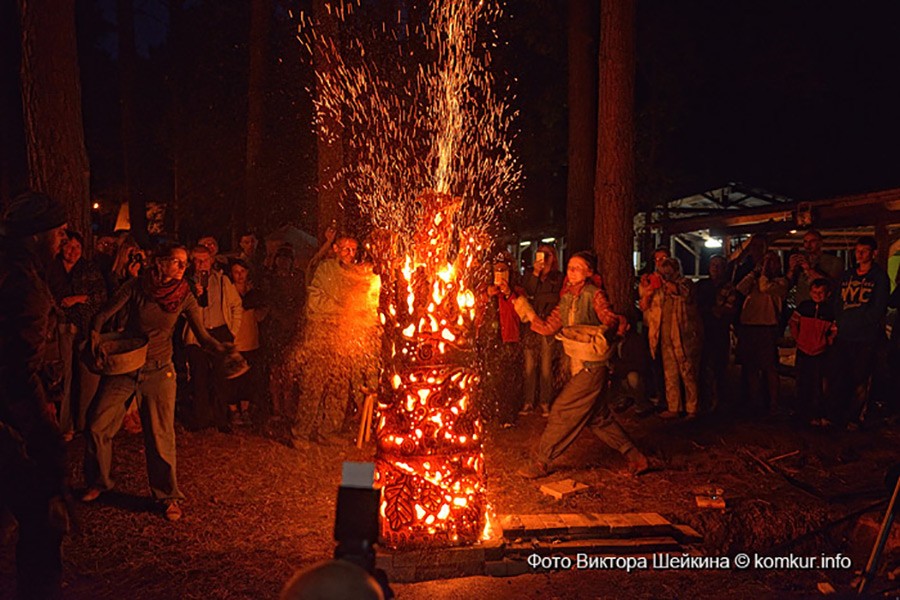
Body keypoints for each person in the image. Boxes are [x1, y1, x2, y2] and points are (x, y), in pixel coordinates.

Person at [82, 244, 233, 521]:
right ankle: (99, 481)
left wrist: (221, 349)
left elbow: (202, 335)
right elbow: (103, 313)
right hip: (126, 365)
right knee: (96, 424)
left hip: (159, 371)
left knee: (160, 435)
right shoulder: (137, 286)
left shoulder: (184, 295)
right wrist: (95, 334)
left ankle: (168, 497)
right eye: (176, 262)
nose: (181, 268)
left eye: (184, 263)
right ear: (159, 262)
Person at [513, 251, 648, 479]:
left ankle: (541, 461)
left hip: (593, 365)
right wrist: (526, 311)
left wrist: (603, 332)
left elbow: (610, 320)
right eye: (570, 267)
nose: (571, 271)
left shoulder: (594, 295)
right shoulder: (566, 298)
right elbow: (547, 327)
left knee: (562, 410)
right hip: (578, 366)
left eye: (577, 267)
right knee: (598, 419)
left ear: (588, 273)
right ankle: (637, 458)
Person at [0, 191, 70, 599]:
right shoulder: (25, 287)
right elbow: (16, 374)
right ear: (38, 236)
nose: (63, 240)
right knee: (43, 521)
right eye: (59, 233)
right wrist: (44, 436)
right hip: (8, 423)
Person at [291, 233, 381, 446]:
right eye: (345, 249)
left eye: (353, 249)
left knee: (338, 386)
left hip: (343, 337)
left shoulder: (357, 275)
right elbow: (315, 301)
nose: (350, 254)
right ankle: (300, 433)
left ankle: (328, 430)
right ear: (336, 250)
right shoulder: (325, 270)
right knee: (314, 385)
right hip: (322, 335)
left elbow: (365, 303)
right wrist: (343, 309)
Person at [47, 230, 108, 439]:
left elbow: (100, 297)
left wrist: (79, 298)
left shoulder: (88, 268)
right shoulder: (52, 268)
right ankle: (66, 425)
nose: (73, 252)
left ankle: (84, 423)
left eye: (77, 248)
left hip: (84, 328)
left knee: (85, 377)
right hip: (60, 328)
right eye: (69, 246)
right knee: (64, 376)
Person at [831, 236, 890, 429]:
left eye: (864, 251)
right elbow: (839, 302)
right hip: (844, 335)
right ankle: (839, 414)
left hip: (865, 337)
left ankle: (855, 417)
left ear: (873, 253)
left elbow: (878, 308)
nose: (859, 254)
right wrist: (840, 322)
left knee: (861, 377)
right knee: (842, 376)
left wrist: (860, 323)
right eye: (857, 250)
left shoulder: (879, 278)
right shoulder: (848, 275)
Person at [183, 244, 243, 431]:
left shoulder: (223, 281)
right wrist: (194, 294)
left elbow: (236, 305)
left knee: (221, 379)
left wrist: (232, 331)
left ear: (211, 261)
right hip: (198, 335)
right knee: (199, 377)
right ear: (193, 262)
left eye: (205, 260)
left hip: (219, 331)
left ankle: (221, 419)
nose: (202, 264)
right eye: (198, 260)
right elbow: (181, 313)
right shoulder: (186, 284)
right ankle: (201, 419)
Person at [735, 250, 789, 414]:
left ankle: (773, 403)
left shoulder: (781, 283)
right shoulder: (754, 280)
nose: (767, 264)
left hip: (766, 326)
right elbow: (740, 288)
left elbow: (765, 288)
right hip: (749, 326)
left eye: (771, 261)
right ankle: (755, 402)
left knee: (769, 367)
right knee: (751, 367)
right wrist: (753, 273)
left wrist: (764, 270)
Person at [480, 253, 525, 426]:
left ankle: (507, 415)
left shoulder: (517, 291)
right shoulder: (484, 288)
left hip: (508, 338)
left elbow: (521, 312)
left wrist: (508, 294)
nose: (500, 273)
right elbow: (472, 304)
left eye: (503, 270)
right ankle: (489, 412)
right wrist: (487, 295)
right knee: (488, 376)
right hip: (488, 338)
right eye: (497, 270)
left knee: (507, 378)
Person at [654, 257, 703, 419]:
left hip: (684, 336)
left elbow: (684, 293)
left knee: (688, 371)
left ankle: (692, 408)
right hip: (666, 336)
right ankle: (673, 406)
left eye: (667, 271)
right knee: (670, 373)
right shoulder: (660, 288)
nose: (665, 275)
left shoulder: (686, 283)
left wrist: (665, 283)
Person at [521, 244, 564, 416]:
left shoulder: (559, 277)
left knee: (546, 366)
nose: (545, 258)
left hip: (548, 324)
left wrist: (537, 299)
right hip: (531, 326)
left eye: (548, 254)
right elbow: (527, 292)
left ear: (554, 257)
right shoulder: (531, 275)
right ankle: (528, 402)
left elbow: (556, 298)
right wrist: (536, 274)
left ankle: (545, 402)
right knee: (529, 366)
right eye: (541, 254)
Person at [788, 278, 837, 426]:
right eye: (815, 292)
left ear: (827, 293)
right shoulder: (804, 307)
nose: (817, 295)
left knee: (818, 384)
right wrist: (798, 338)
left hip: (820, 352)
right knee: (802, 381)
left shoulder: (830, 310)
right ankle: (801, 412)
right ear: (810, 292)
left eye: (821, 292)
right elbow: (793, 322)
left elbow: (834, 330)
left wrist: (828, 341)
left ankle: (817, 413)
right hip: (803, 350)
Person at [227, 258, 268, 426]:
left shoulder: (254, 292)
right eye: (236, 271)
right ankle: (233, 411)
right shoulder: (228, 291)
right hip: (235, 341)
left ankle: (245, 410)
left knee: (248, 380)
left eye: (242, 271)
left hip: (251, 340)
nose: (240, 275)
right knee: (233, 379)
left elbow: (262, 312)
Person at [696, 254, 738, 412]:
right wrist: (712, 310)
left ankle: (720, 400)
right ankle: (704, 399)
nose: (715, 268)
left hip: (720, 331)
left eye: (719, 265)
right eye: (713, 265)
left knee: (720, 366)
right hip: (703, 331)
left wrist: (717, 311)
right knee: (702, 366)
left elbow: (731, 309)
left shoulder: (728, 287)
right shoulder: (701, 285)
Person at [638, 246, 671, 406]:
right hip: (650, 325)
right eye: (657, 259)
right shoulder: (648, 280)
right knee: (653, 361)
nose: (660, 263)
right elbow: (643, 306)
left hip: (669, 326)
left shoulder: (676, 280)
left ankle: (670, 397)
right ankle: (657, 395)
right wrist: (650, 290)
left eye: (663, 259)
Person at [787, 230, 844, 306]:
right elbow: (788, 285)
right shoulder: (800, 262)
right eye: (805, 242)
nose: (808, 245)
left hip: (825, 307)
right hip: (802, 306)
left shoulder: (834, 261)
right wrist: (791, 269)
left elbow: (832, 284)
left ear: (821, 243)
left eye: (812, 241)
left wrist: (809, 269)